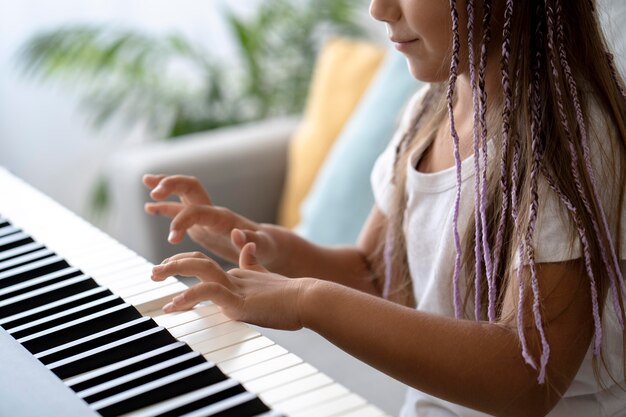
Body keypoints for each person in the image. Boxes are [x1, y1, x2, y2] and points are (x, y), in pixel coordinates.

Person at [143, 0, 626, 415]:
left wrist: (306, 300)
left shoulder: (569, 139)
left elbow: (529, 378)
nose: (378, 10)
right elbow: (376, 275)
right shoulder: (430, 110)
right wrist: (261, 242)